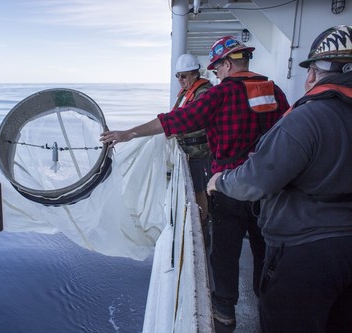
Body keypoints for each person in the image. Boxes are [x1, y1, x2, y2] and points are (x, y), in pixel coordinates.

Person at [100, 36, 290, 327]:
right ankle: (268, 306)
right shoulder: (275, 91)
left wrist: (127, 133)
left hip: (228, 184)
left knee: (225, 251)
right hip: (268, 187)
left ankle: (224, 310)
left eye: (217, 69)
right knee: (263, 249)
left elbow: (174, 121)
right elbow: (287, 135)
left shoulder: (220, 94)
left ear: (228, 64)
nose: (216, 74)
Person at [206, 25, 352, 332]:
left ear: (316, 73)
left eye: (311, 70)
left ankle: (225, 308)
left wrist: (219, 181)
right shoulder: (275, 92)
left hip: (304, 253)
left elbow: (256, 181)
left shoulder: (307, 119)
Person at [172, 54, 213, 240]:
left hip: (200, 153)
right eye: (178, 76)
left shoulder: (204, 93)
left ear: (196, 74)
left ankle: (203, 226)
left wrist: (178, 132)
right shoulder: (185, 93)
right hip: (188, 152)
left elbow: (200, 123)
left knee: (199, 190)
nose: (181, 80)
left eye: (185, 76)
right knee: (193, 188)